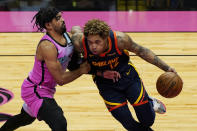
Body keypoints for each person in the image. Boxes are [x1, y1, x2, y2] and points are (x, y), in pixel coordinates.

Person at [71, 19, 177, 131]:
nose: (93, 47)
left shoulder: (120, 39)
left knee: (147, 121)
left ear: (106, 38)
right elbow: (74, 66)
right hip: (105, 83)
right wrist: (101, 73)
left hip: (127, 75)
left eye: (97, 42)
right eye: (90, 42)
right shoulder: (79, 43)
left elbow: (142, 51)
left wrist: (167, 68)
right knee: (128, 124)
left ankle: (149, 101)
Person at [0, 7, 90, 131]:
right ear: (48, 25)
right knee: (59, 123)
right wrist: (81, 70)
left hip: (47, 89)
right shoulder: (47, 46)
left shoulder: (68, 38)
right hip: (35, 89)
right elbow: (61, 80)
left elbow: (74, 63)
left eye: (61, 16)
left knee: (24, 118)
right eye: (58, 18)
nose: (63, 20)